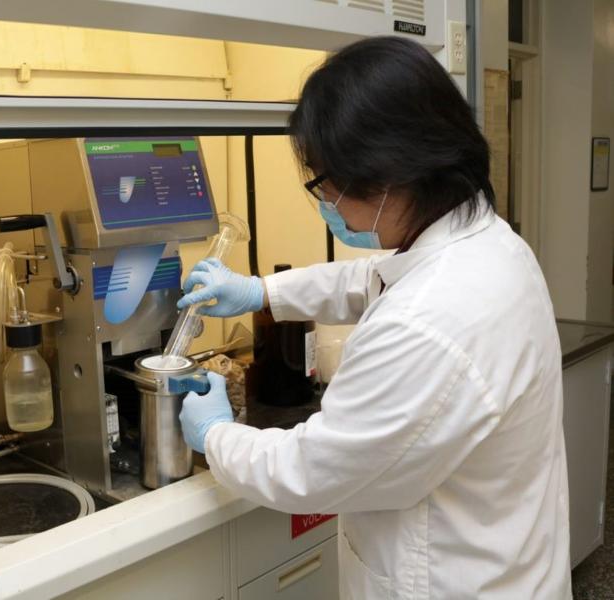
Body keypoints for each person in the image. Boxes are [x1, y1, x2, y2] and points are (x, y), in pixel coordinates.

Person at [177, 36, 571, 599]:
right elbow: (374, 279)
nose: (326, 201)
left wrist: (216, 435)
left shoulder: (429, 322)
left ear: (386, 175)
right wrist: (261, 291)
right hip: (506, 560)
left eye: (325, 183)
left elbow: (312, 472)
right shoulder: (487, 243)